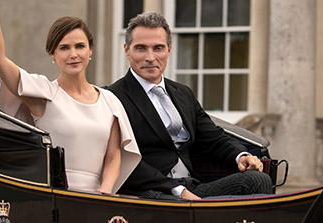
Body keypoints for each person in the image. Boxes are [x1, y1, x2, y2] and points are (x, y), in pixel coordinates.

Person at [0, 0, 140, 194]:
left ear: (90, 51)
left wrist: (105, 191)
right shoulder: (43, 93)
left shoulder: (110, 101)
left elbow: (114, 156)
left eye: (80, 46)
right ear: (52, 54)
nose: (73, 54)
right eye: (64, 48)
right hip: (52, 197)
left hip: (99, 200)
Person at [108, 11, 272, 200]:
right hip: (149, 192)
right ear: (127, 50)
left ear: (169, 49)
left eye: (158, 48)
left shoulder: (183, 93)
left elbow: (213, 138)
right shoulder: (113, 97)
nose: (150, 57)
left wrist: (241, 156)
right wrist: (177, 190)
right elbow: (123, 159)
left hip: (193, 186)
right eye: (141, 48)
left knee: (257, 180)